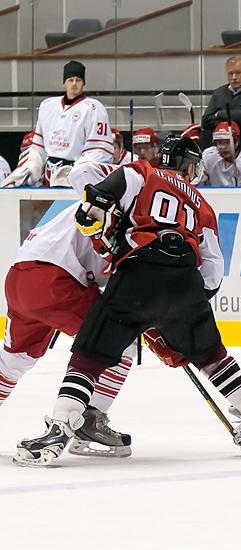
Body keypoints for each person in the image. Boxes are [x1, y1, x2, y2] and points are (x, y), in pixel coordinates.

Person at [13, 136, 241, 467]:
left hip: (137, 273)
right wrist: (181, 313)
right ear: (189, 167)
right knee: (211, 355)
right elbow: (213, 271)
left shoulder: (142, 172)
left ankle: (62, 427)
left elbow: (100, 191)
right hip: (186, 281)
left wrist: (96, 212)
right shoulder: (202, 205)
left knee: (90, 353)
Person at [3, 160, 138, 458]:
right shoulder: (120, 211)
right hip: (54, 281)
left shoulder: (97, 206)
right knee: (120, 341)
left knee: (14, 360)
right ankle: (87, 419)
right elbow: (83, 170)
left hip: (18, 277)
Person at [2, 61, 112, 188]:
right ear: (64, 82)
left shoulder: (94, 108)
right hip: (48, 177)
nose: (74, 84)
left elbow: (99, 150)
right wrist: (29, 168)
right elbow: (38, 147)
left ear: (84, 83)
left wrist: (77, 172)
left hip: (74, 179)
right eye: (70, 80)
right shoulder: (47, 106)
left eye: (78, 80)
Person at [199, 121, 241, 187]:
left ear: (237, 142)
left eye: (227, 142)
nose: (223, 147)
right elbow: (200, 184)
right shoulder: (209, 156)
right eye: (219, 143)